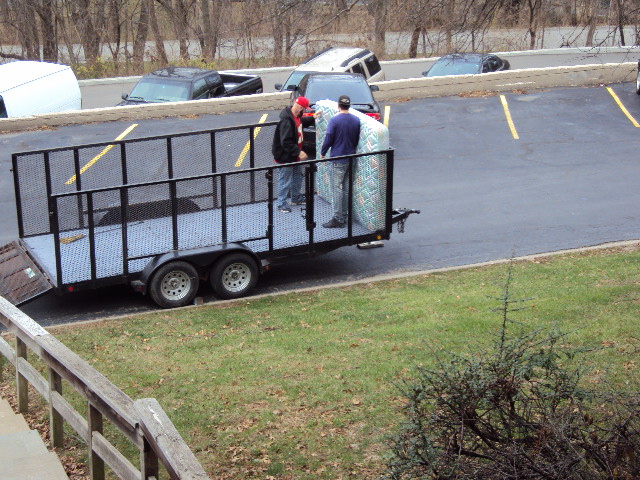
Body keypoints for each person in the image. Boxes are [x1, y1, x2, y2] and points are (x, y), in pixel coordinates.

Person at [319, 94, 361, 228]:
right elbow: (355, 140)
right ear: (349, 105)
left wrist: (323, 152)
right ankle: (345, 215)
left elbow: (329, 138)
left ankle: (338, 218)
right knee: (346, 188)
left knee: (336, 189)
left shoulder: (334, 121)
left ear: (338, 106)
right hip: (351, 158)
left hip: (338, 159)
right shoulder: (356, 120)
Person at [272, 96, 316, 213]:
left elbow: (300, 124)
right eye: (304, 109)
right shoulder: (286, 121)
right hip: (286, 157)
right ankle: (281, 203)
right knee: (285, 180)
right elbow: (285, 142)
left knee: (297, 176)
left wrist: (313, 118)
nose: (304, 111)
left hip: (293, 156)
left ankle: (295, 197)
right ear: (301, 107)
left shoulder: (295, 116)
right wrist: (299, 152)